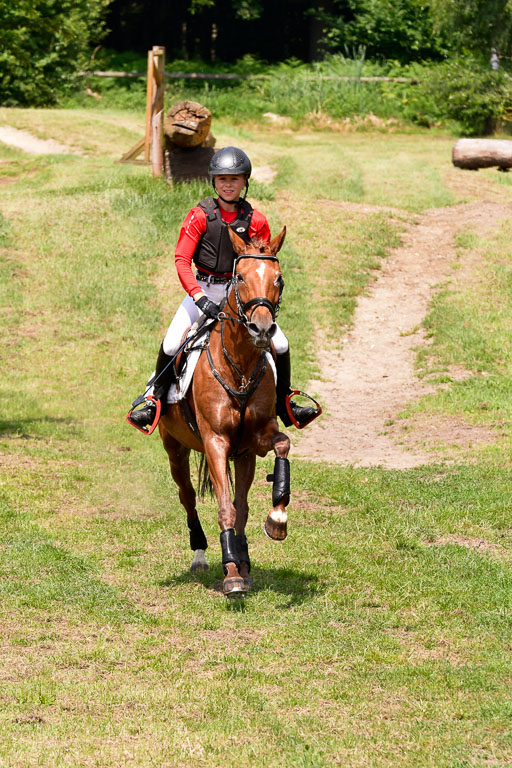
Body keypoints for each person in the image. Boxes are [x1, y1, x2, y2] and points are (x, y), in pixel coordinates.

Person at [128, 146, 317, 432]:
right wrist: (199, 297)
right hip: (202, 288)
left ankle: (284, 404)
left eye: (235, 179)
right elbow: (181, 260)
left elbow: (261, 265)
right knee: (170, 343)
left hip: (241, 295)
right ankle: (153, 400)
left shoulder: (256, 220)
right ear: (214, 182)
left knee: (280, 344)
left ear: (245, 182)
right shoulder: (200, 215)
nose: (228, 185)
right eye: (222, 180)